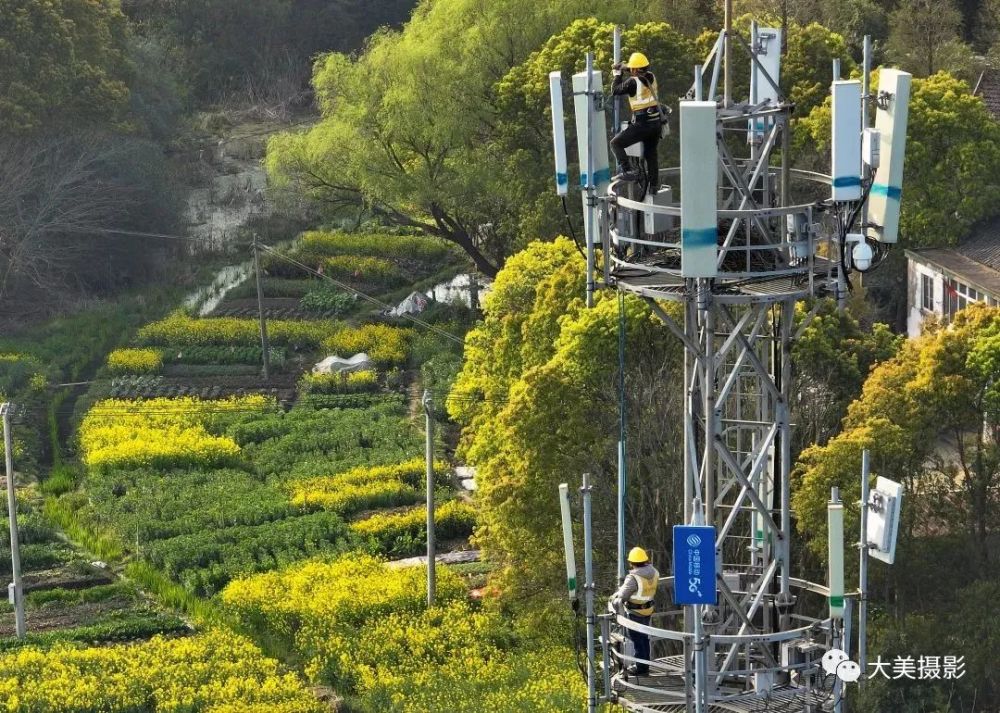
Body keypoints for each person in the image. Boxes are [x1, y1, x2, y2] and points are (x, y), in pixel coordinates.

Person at [610, 52, 662, 192]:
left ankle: (628, 171)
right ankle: (654, 186)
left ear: (635, 69)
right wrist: (623, 67)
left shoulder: (633, 82)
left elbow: (615, 90)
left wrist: (617, 74)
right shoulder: (651, 76)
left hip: (641, 124)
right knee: (651, 154)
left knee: (616, 143)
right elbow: (635, 71)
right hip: (656, 122)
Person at [610, 546, 660, 675]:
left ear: (632, 562)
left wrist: (614, 599)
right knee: (644, 638)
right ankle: (645, 665)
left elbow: (623, 596)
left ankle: (641, 668)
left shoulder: (633, 577)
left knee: (638, 640)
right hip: (648, 609)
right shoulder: (654, 572)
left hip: (635, 612)